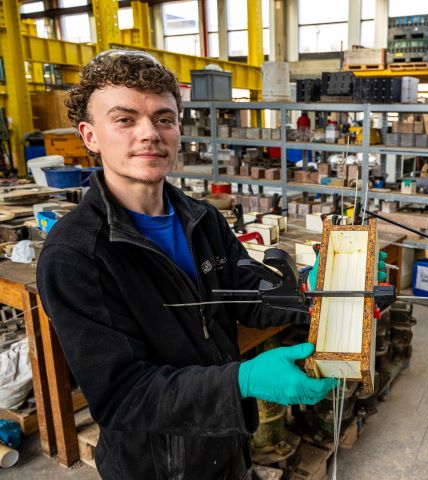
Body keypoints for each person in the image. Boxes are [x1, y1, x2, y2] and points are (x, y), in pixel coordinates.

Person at [36, 50, 336, 479]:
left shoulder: (202, 218)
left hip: (228, 442)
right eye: (125, 120)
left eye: (163, 118)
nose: (150, 134)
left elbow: (246, 291)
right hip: (159, 466)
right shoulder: (76, 255)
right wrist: (242, 381)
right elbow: (123, 395)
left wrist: (318, 289)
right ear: (90, 136)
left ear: (178, 128)